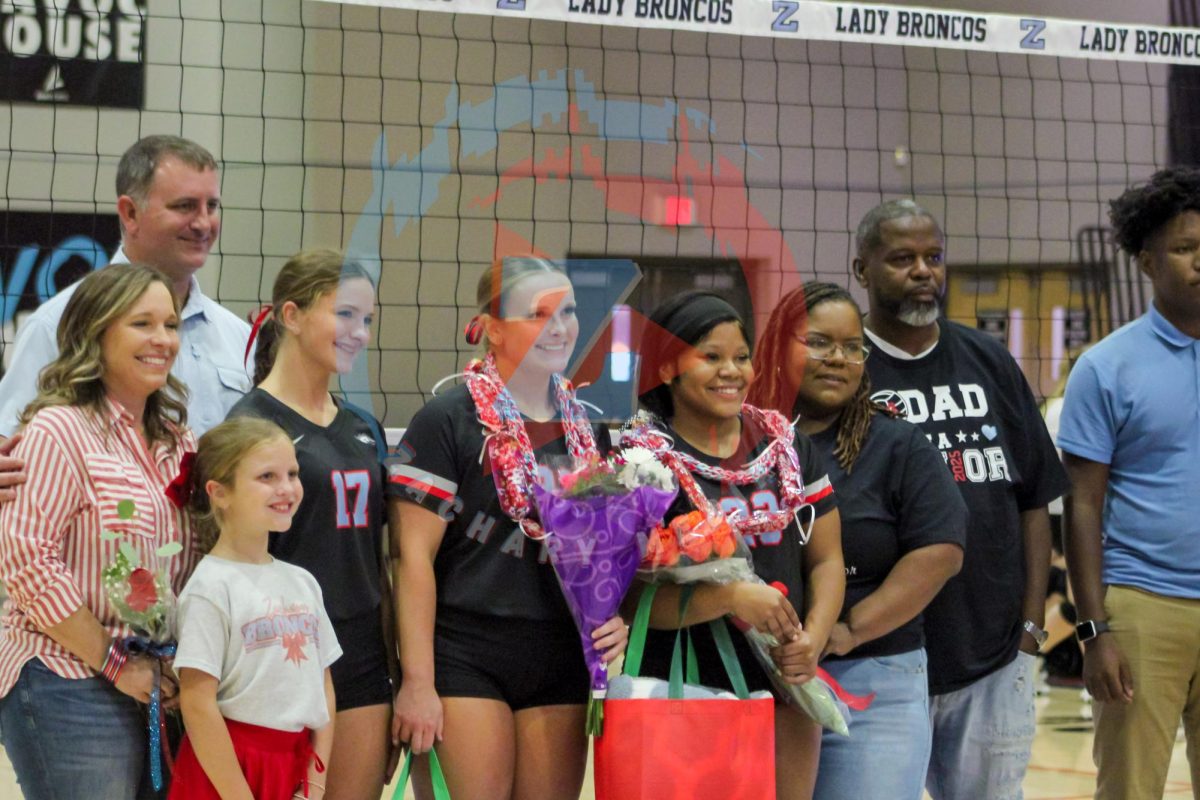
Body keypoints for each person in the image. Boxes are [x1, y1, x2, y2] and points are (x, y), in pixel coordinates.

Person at [388, 257, 628, 800]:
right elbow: (411, 560)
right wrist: (417, 682)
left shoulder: (589, 429)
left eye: (566, 311)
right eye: (538, 314)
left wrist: (620, 616)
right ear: (493, 328)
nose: (559, 327)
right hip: (465, 652)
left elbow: (605, 557)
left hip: (559, 654)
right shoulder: (447, 420)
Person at [853, 199, 1068, 800]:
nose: (924, 271)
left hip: (993, 657)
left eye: (934, 257)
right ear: (862, 269)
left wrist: (1030, 629)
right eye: (902, 259)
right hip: (879, 655)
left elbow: (1035, 500)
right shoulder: (845, 373)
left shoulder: (989, 361)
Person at [748, 281, 967, 800]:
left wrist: (847, 631)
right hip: (750, 674)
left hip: (872, 675)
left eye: (851, 347)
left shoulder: (897, 443)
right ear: (779, 347)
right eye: (819, 343)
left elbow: (941, 551)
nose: (838, 359)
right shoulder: (738, 440)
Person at [625, 290, 844, 800]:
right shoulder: (642, 462)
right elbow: (628, 601)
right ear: (665, 368)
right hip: (686, 686)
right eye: (711, 356)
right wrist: (727, 599)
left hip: (787, 686)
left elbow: (829, 558)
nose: (732, 371)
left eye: (741, 357)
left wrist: (812, 639)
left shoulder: (785, 448)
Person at [0, 264, 198, 799]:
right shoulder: (57, 429)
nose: (163, 340)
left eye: (171, 325)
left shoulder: (178, 443)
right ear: (97, 332)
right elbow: (27, 562)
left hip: (154, 679)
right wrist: (116, 665)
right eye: (143, 324)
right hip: (65, 676)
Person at [225, 249, 393, 800]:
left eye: (367, 319)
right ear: (292, 316)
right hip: (282, 652)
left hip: (362, 654)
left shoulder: (363, 426)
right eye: (344, 314)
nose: (359, 332)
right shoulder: (248, 425)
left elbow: (380, 552)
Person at [1059, 167, 1200, 800]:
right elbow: (1081, 505)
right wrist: (1094, 631)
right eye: (1185, 248)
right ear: (1147, 262)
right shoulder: (1105, 366)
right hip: (1145, 608)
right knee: (1130, 791)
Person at [0, 134, 250, 440]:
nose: (202, 223)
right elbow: (12, 452)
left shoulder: (239, 338)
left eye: (211, 206)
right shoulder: (57, 324)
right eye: (184, 206)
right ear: (130, 213)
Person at [169, 417, 338, 800]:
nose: (287, 488)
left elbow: (322, 686)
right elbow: (196, 702)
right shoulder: (209, 588)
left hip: (295, 763)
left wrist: (314, 780)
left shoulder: (303, 582)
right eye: (267, 477)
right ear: (219, 493)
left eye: (292, 473)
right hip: (227, 768)